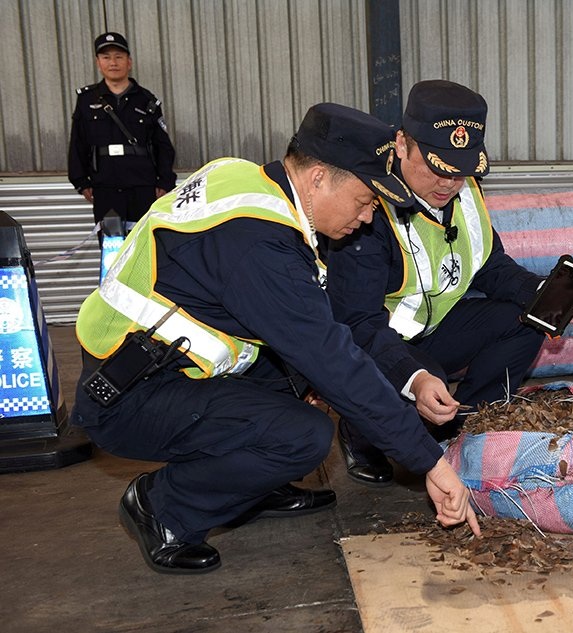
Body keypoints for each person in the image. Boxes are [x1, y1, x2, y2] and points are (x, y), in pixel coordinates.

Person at [70, 103, 480, 575]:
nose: (368, 218)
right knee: (304, 436)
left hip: (153, 365)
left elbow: (327, 330)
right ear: (319, 178)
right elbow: (332, 359)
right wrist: (431, 461)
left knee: (299, 375)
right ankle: (163, 508)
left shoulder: (249, 180)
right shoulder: (258, 245)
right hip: (127, 395)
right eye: (366, 201)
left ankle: (253, 486)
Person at [326, 80, 573, 486]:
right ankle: (362, 434)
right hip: (375, 342)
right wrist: (414, 378)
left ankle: (471, 425)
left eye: (460, 170)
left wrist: (541, 294)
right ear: (401, 143)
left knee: (524, 319)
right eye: (436, 167)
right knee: (416, 389)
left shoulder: (464, 193)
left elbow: (489, 265)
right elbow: (356, 324)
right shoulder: (367, 207)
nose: (449, 183)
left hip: (434, 329)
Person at [67, 32, 176, 236]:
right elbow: (78, 143)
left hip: (142, 186)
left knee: (144, 246)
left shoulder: (147, 100)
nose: (113, 62)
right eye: (106, 57)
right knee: (112, 249)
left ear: (129, 62)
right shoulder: (86, 100)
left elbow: (162, 144)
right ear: (98, 63)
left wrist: (164, 182)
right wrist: (81, 181)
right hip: (105, 186)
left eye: (118, 56)